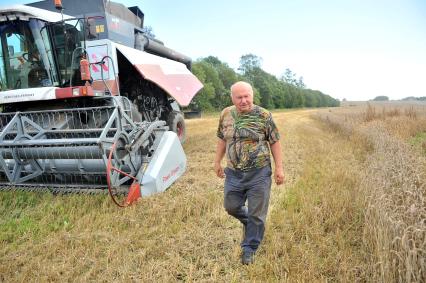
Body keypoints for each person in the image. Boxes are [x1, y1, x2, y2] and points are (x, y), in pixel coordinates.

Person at [214, 81, 284, 265]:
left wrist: (279, 168)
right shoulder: (226, 114)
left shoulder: (264, 115)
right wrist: (216, 162)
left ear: (252, 95)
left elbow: (274, 141)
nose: (244, 100)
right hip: (233, 173)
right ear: (232, 98)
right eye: (239, 97)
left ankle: (250, 248)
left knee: (256, 213)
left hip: (259, 173)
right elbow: (222, 139)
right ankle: (253, 225)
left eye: (247, 96)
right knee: (231, 207)